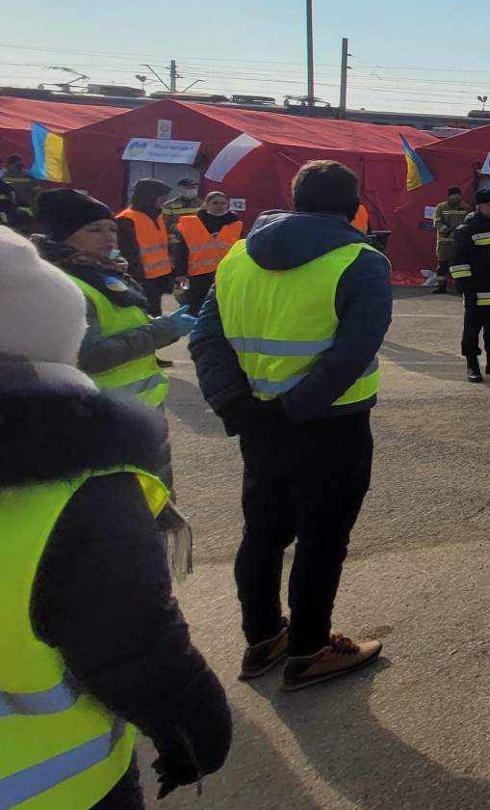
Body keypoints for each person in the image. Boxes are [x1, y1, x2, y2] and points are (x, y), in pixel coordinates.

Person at [0, 226, 232, 809]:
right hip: (58, 787)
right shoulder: (73, 490)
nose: (110, 234)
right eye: (97, 226)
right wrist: (196, 737)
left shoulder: (113, 273)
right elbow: (135, 647)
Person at [188, 159, 394, 691]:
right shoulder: (361, 260)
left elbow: (206, 338)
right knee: (322, 539)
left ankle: (262, 639)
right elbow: (352, 352)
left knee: (263, 532)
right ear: (354, 207)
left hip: (258, 420)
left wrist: (234, 404)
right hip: (332, 424)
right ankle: (309, 649)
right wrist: (296, 407)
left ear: (295, 200)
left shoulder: (237, 255)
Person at [34, 189, 193, 413]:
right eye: (94, 230)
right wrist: (162, 329)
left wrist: (164, 328)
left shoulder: (103, 271)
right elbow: (91, 356)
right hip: (99, 415)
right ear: (63, 236)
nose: (108, 237)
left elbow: (120, 327)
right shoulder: (64, 285)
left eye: (112, 229)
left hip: (135, 411)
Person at [449, 188, 490, 383]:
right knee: (472, 329)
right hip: (477, 291)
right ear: (483, 206)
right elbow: (458, 262)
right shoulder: (468, 229)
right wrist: (467, 288)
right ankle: (472, 364)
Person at [171, 190, 242, 314]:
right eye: (215, 203)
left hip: (226, 273)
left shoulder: (236, 224)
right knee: (195, 307)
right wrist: (180, 273)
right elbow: (182, 251)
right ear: (206, 204)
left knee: (223, 308)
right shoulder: (193, 223)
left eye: (223, 203)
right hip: (198, 275)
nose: (219, 206)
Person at [118, 178, 176, 319]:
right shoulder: (126, 219)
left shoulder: (158, 215)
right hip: (141, 279)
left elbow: (162, 246)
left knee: (154, 314)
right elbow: (128, 253)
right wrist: (137, 278)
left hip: (158, 277)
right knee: (143, 317)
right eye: (161, 196)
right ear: (149, 197)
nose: (164, 200)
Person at [431, 186, 470, 294]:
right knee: (442, 266)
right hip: (444, 243)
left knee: (459, 267)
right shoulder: (441, 207)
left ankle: (460, 288)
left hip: (459, 243)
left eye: (458, 194)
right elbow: (437, 221)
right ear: (449, 196)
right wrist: (446, 230)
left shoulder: (466, 208)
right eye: (454, 194)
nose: (456, 197)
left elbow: (468, 224)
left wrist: (460, 233)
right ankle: (441, 287)